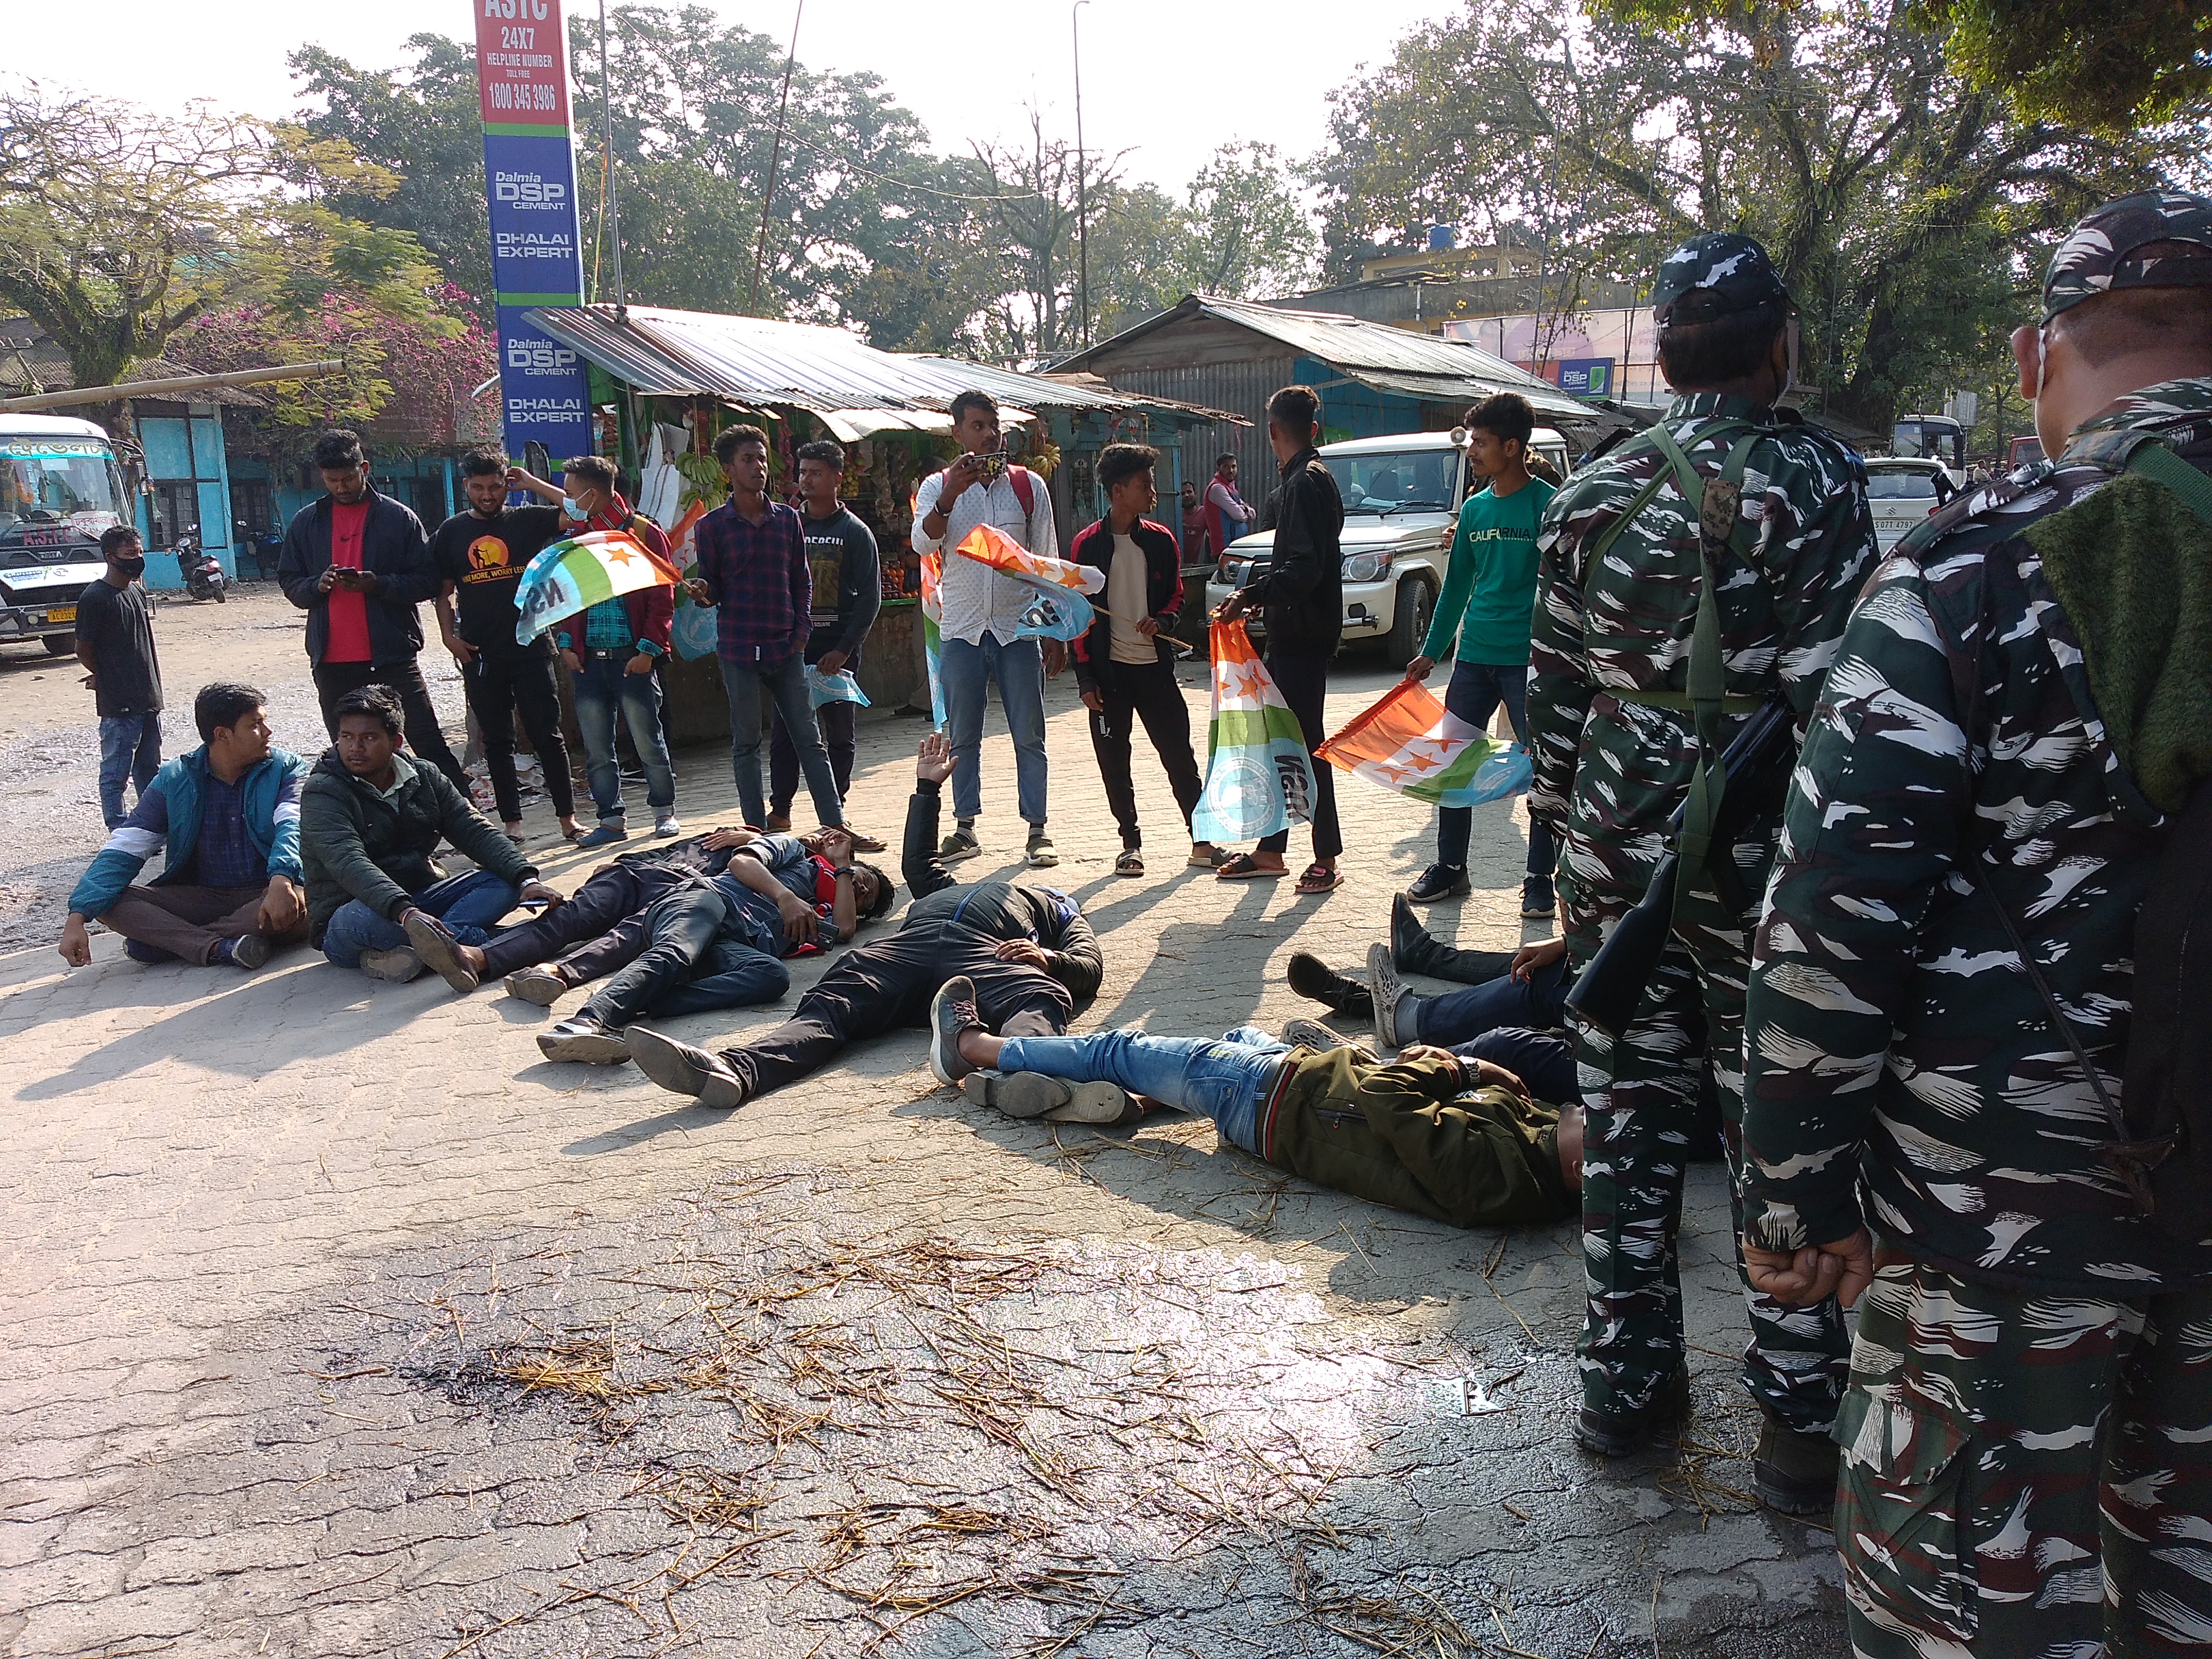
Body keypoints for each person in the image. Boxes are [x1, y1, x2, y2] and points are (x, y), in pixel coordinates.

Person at [1739, 191, 2212, 1653]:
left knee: (1976, 1615)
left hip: (2000, 1242)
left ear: (2035, 357)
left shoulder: (1971, 566)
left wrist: (1796, 1206)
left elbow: (1828, 922)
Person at [1525, 232, 1878, 1509]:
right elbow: (1846, 693)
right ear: (1778, 343)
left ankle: (1624, 1394)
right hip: (1769, 875)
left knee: (1625, 1126)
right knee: (1775, 1134)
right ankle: (1794, 1423)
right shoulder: (1821, 480)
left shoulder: (1589, 495)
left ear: (1665, 351)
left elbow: (1550, 711)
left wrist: (1570, 853)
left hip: (1615, 866)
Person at [619, 733, 1101, 1111]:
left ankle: (1020, 1070)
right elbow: (918, 863)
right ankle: (735, 1071)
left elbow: (1088, 966)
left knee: (1042, 992)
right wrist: (927, 788)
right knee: (833, 1001)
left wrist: (1049, 957)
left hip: (983, 955)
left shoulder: (1059, 909)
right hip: (903, 951)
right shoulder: (941, 888)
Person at [949, 1018, 1579, 1229]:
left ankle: (975, 1050)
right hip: (1305, 1096)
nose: (1584, 1110)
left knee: (1117, 1048)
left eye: (1594, 1124)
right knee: (1238, 1036)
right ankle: (1140, 1103)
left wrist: (1463, 1068)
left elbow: (1390, 1095)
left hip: (1274, 1102)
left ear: (1584, 1167)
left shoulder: (1500, 1176)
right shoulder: (1536, 1156)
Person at [534, 828, 895, 1062]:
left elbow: (846, 929)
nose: (861, 890)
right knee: (680, 951)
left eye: (865, 897)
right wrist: (784, 896)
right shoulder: (796, 853)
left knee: (771, 976)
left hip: (733, 942)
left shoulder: (826, 915)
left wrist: (847, 867)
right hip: (707, 901)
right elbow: (742, 861)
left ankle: (642, 999)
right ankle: (584, 1023)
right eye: (865, 880)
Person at [1402, 394, 1560, 915]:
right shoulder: (1475, 508)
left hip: (1527, 661)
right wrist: (1431, 651)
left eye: (1482, 442)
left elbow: (1565, 584)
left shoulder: (1548, 504)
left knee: (1540, 767)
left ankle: (1539, 878)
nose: (1472, 451)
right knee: (1455, 764)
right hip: (1473, 658)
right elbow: (1456, 587)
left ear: (1512, 447)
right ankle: (1451, 869)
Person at [301, 685, 561, 981]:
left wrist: (526, 879)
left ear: (396, 742)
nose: (354, 748)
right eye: (346, 737)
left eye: (368, 738)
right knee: (361, 917)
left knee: (504, 879)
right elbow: (349, 863)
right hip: (356, 913)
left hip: (423, 900)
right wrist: (406, 913)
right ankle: (493, 943)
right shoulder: (323, 791)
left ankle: (423, 953)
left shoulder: (425, 776)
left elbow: (474, 830)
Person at [911, 390, 1062, 868]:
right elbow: (921, 543)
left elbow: (1045, 561)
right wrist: (952, 495)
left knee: (1029, 733)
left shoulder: (1028, 485)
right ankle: (964, 827)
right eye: (976, 426)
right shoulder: (938, 487)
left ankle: (1038, 830)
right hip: (962, 629)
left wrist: (1053, 629)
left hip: (1018, 628)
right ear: (956, 432)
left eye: (992, 425)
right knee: (962, 735)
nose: (989, 434)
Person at [59, 682, 307, 972]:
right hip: (203, 896)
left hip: (272, 889)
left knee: (303, 904)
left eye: (265, 722)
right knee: (110, 901)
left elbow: (293, 827)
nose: (268, 732)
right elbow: (126, 847)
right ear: (222, 735)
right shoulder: (175, 779)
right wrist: (76, 918)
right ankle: (218, 948)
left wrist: (282, 878)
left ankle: (167, 943)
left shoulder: (286, 769)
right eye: (255, 725)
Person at [275, 428, 466, 790]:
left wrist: (376, 584)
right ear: (322, 477)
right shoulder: (307, 522)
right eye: (333, 480)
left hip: (392, 655)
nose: (342, 487)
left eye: (349, 478)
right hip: (332, 661)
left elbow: (426, 582)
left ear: (365, 468)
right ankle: (366, 827)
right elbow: (290, 583)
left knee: (426, 742)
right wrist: (318, 586)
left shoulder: (399, 518)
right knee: (351, 754)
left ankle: (468, 819)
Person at [1214, 386, 1345, 894]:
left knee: (1307, 744)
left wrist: (1249, 595)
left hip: (1304, 634)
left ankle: (1327, 857)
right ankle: (1271, 851)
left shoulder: (1306, 484)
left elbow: (1305, 569)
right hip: (1294, 631)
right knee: (1280, 742)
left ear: (1272, 431)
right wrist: (1256, 598)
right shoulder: (1301, 481)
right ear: (1313, 429)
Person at [510, 455, 681, 845]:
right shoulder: (578, 535)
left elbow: (662, 597)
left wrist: (648, 651)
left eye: (571, 494)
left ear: (593, 493)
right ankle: (610, 820)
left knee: (647, 740)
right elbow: (570, 597)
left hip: (632, 658)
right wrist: (567, 644)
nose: (567, 501)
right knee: (597, 749)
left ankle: (663, 813)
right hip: (588, 663)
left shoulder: (644, 533)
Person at [689, 425, 844, 836]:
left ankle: (835, 826)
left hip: (785, 647)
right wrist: (702, 593)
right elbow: (712, 588)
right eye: (747, 460)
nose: (758, 467)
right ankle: (754, 832)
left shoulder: (788, 520)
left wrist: (800, 634)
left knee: (809, 741)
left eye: (762, 459)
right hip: (738, 649)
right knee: (745, 744)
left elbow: (802, 581)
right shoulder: (711, 527)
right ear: (728, 470)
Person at [1069, 443, 1216, 876]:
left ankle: (1202, 840)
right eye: (1145, 484)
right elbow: (1078, 615)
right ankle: (1129, 844)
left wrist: (1164, 621)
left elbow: (1175, 596)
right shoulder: (1086, 546)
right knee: (1115, 761)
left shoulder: (1160, 540)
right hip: (1108, 675)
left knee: (1179, 756)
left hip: (1154, 670)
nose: (1153, 491)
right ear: (1118, 491)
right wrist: (1085, 679)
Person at [429, 447, 582, 845]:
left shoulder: (528, 520)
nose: (487, 495)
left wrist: (531, 483)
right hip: (480, 653)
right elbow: (442, 594)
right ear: (466, 486)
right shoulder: (451, 532)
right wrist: (449, 638)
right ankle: (512, 825)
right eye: (478, 487)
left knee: (547, 734)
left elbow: (579, 512)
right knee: (496, 741)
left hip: (531, 645)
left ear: (506, 485)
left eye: (495, 487)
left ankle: (568, 819)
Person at [766, 438, 882, 845]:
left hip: (837, 650)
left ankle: (836, 813)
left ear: (837, 478)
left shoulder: (855, 532)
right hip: (792, 649)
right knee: (785, 732)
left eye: (816, 473)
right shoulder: (787, 525)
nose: (807, 480)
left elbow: (871, 597)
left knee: (838, 734)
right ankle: (779, 811)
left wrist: (845, 649)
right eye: (802, 473)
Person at [76, 524, 163, 827]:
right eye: (130, 554)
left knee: (150, 770)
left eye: (139, 552)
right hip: (119, 704)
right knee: (116, 773)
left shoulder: (136, 591)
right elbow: (84, 649)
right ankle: (118, 829)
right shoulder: (95, 598)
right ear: (110, 557)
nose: (137, 559)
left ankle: (149, 827)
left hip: (149, 697)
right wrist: (105, 675)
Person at [1203, 453, 1254, 557]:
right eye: (1226, 467)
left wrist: (1243, 509)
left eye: (1234, 467)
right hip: (1224, 548)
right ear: (1218, 468)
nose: (1231, 471)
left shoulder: (1231, 487)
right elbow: (1239, 516)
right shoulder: (1218, 488)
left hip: (1236, 545)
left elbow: (1253, 514)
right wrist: (1243, 511)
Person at [1180, 479, 1211, 567]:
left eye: (1189, 492)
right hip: (1179, 565)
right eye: (1183, 494)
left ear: (1195, 494)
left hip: (1199, 565)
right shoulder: (1176, 515)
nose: (1186, 496)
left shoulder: (1204, 512)